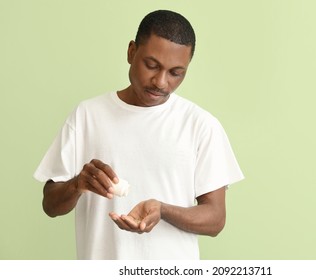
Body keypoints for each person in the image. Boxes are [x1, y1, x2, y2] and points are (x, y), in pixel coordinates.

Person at [34, 9, 244, 260]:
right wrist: (78, 184)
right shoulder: (87, 115)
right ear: (131, 52)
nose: (161, 82)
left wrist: (162, 210)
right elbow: (51, 205)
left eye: (176, 72)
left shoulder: (200, 125)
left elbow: (215, 219)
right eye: (152, 65)